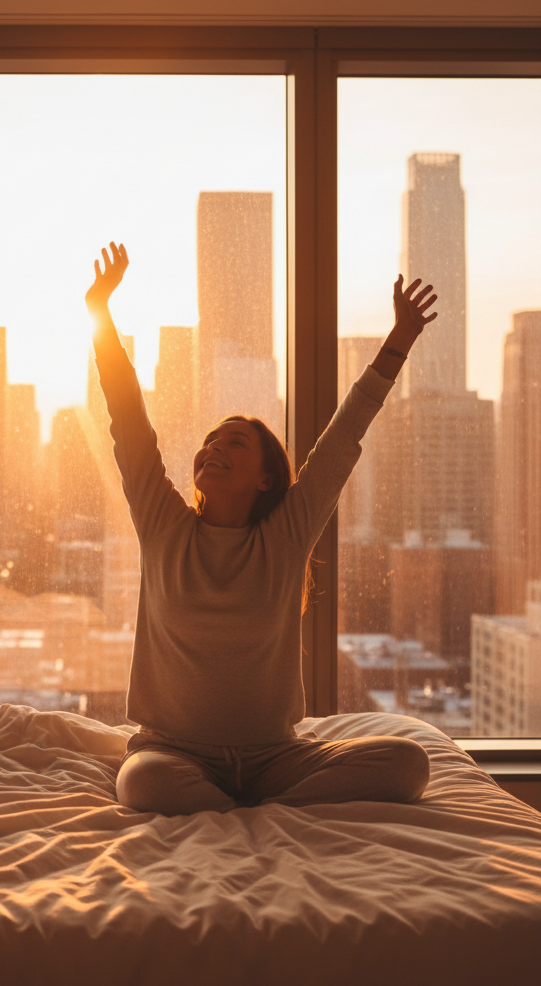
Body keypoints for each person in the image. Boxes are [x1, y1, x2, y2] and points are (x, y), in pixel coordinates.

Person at [85, 241, 437, 815]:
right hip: (174, 753)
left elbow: (343, 437)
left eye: (235, 443)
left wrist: (399, 339)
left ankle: (236, 804)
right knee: (144, 783)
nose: (213, 448)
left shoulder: (285, 538)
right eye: (210, 441)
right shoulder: (162, 524)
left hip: (275, 757)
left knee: (408, 764)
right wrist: (100, 313)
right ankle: (251, 807)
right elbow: (127, 418)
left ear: (268, 479)